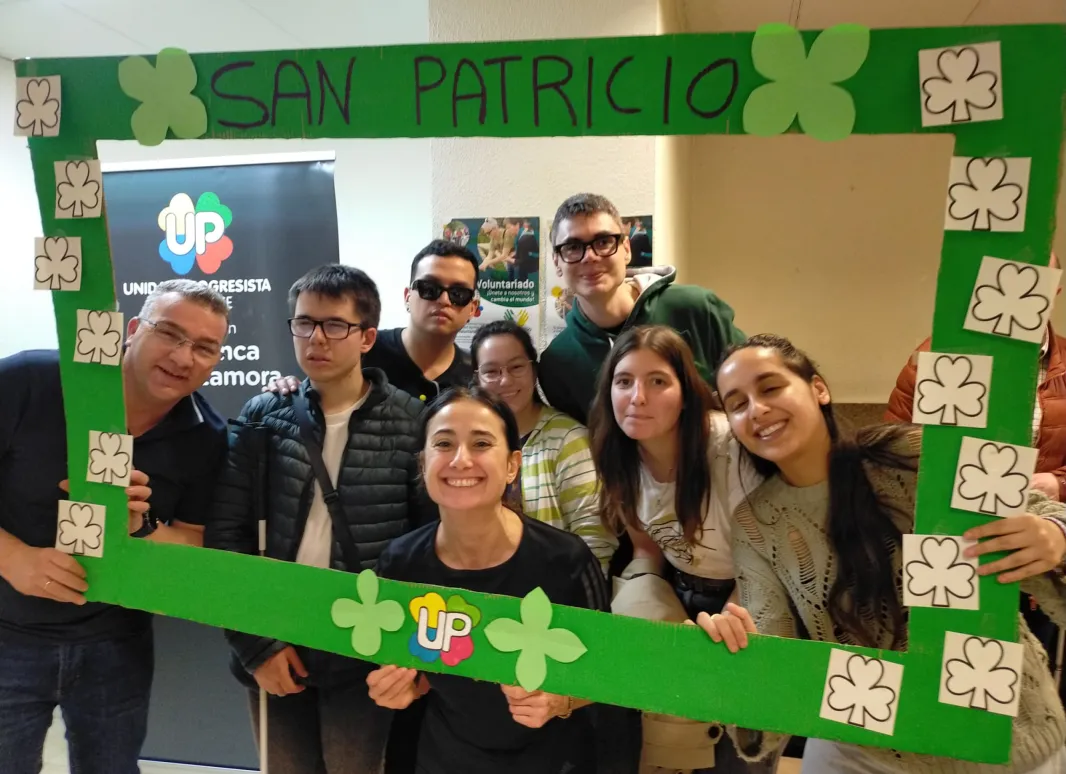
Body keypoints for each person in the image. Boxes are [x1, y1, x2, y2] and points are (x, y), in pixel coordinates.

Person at [701, 333, 1066, 773]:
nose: (756, 410)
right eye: (737, 403)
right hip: (864, 748)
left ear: (819, 389)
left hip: (1005, 736)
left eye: (771, 387)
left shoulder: (908, 454)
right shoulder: (756, 522)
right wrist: (741, 653)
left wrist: (1055, 533)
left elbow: (1035, 511)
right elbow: (773, 644)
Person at [205, 265, 436, 774]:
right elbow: (227, 537)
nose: (316, 339)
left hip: (366, 646)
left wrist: (409, 657)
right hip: (277, 636)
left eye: (335, 325)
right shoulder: (265, 414)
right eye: (304, 323)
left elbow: (430, 547)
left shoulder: (413, 423)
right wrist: (255, 645)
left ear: (367, 337)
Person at [0, 279, 229, 774]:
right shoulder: (30, 380)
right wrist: (12, 556)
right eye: (169, 333)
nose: (183, 357)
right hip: (7, 631)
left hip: (115, 644)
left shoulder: (206, 437)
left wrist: (140, 530)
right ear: (131, 330)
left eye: (205, 348)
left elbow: (194, 542)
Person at [367, 387, 609, 774]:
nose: (461, 460)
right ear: (422, 462)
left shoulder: (566, 560)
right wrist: (403, 687)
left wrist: (561, 701)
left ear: (513, 465)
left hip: (554, 760)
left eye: (481, 443)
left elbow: (607, 669)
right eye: (444, 444)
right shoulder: (400, 565)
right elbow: (417, 664)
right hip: (444, 759)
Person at [587, 326, 775, 774]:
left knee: (739, 742)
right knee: (667, 733)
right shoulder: (618, 452)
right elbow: (646, 547)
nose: (637, 397)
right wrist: (639, 606)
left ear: (686, 392)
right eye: (624, 381)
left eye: (657, 381)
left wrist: (726, 621)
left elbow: (766, 558)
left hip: (753, 592)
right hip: (679, 588)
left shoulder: (728, 446)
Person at [538, 192, 745, 425]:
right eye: (573, 247)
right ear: (557, 261)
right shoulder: (558, 363)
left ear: (626, 248)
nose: (590, 257)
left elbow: (752, 389)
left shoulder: (695, 308)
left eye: (604, 242)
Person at [885, 253, 1066, 500]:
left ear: (1054, 293)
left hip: (1040, 521)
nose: (1017, 295)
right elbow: (890, 447)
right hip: (946, 516)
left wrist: (1060, 483)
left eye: (1034, 283)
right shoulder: (937, 354)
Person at [469, 320, 616, 571]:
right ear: (477, 379)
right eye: (491, 371)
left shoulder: (569, 440)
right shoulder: (469, 443)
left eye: (516, 367)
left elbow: (594, 541)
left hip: (554, 595)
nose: (505, 381)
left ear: (534, 371)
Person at [266, 242, 480, 403]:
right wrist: (290, 391)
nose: (443, 300)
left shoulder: (477, 374)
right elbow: (316, 392)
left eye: (458, 293)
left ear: (472, 307)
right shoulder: (359, 346)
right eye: (429, 289)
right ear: (407, 296)